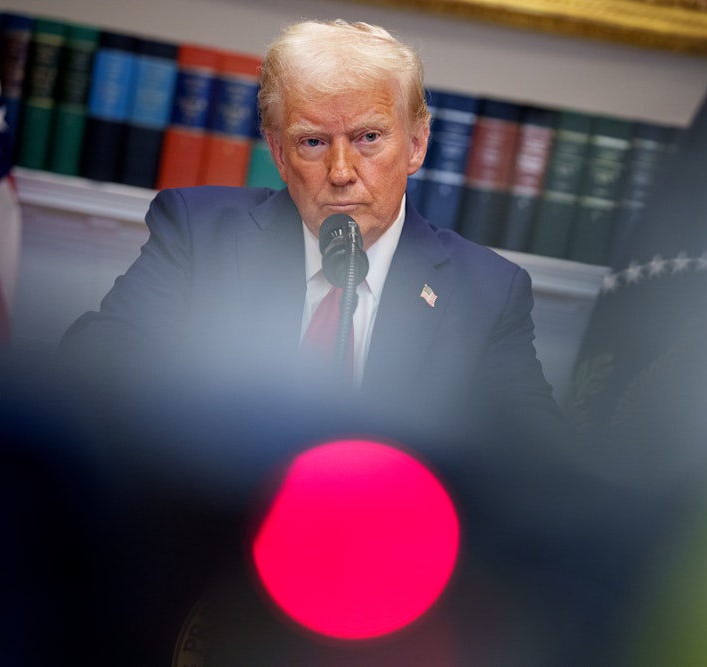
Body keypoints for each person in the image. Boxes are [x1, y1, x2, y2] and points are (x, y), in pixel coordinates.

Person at [61, 19, 561, 434]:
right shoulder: (199, 234)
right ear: (279, 154)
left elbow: (539, 463)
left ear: (416, 145)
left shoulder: (487, 292)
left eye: (369, 137)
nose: (341, 172)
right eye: (313, 143)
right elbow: (95, 366)